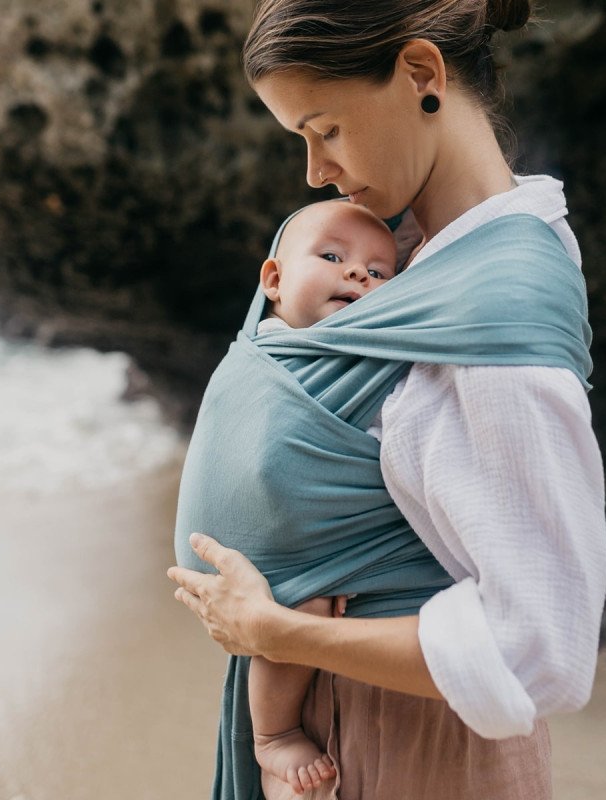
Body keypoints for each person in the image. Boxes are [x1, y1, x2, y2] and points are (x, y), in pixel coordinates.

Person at [169, 1, 606, 799]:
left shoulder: (494, 308)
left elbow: (542, 649)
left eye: (324, 128)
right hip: (333, 714)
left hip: (420, 741)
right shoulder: (409, 262)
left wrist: (277, 631)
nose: (313, 170)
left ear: (419, 75)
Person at [251, 199, 397, 794]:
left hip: (326, 540)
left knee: (308, 613)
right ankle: (272, 736)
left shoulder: (371, 356)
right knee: (299, 612)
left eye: (380, 273)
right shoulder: (268, 347)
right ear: (275, 282)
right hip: (279, 543)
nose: (358, 274)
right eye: (333, 256)